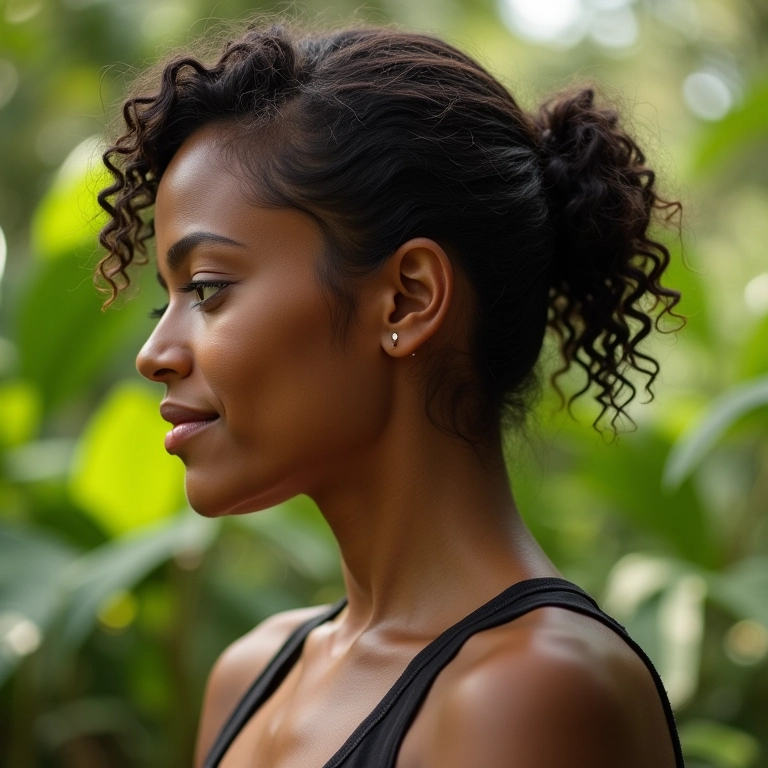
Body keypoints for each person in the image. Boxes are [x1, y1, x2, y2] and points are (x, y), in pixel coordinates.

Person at [97, 22, 685, 768]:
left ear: (408, 299)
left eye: (208, 289)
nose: (154, 354)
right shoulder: (251, 675)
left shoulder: (527, 695)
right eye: (167, 299)